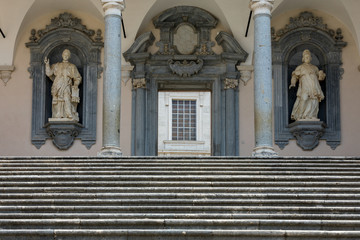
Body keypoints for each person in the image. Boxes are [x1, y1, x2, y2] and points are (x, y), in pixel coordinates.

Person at [44, 49, 82, 122]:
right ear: (62, 55)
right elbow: (49, 73)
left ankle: (69, 113)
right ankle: (58, 115)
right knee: (58, 100)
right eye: (65, 54)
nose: (66, 56)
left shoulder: (72, 66)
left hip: (67, 84)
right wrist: (47, 64)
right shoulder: (56, 65)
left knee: (67, 98)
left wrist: (76, 84)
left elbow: (78, 77)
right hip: (57, 84)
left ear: (69, 56)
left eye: (67, 55)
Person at [289, 49, 326, 121]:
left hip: (314, 86)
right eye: (306, 57)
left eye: (308, 57)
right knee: (304, 98)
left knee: (314, 100)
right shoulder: (300, 67)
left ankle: (311, 115)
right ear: (303, 59)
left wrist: (322, 75)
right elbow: (294, 76)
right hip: (305, 86)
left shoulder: (314, 67)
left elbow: (320, 77)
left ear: (311, 58)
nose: (307, 58)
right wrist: (293, 83)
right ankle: (300, 115)